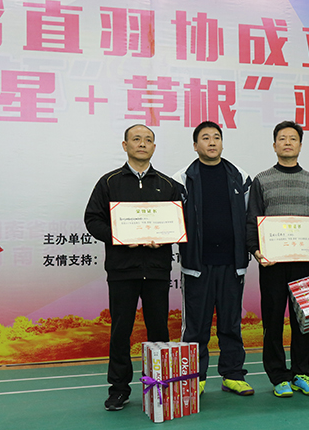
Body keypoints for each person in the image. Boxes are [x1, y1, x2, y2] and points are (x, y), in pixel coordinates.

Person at [84, 124, 182, 411]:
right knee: (121, 331)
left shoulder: (168, 185)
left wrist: (164, 239)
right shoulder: (109, 182)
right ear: (125, 145)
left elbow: (180, 223)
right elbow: (93, 220)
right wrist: (119, 237)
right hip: (122, 270)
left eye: (148, 140)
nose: (142, 144)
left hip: (157, 269)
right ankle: (119, 389)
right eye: (136, 139)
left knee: (159, 331)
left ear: (154, 147)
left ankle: (160, 386)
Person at [246, 121, 309, 398]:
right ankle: (278, 376)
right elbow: (252, 221)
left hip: (306, 263)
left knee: (303, 321)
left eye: (293, 138)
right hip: (272, 264)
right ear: (274, 145)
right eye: (282, 138)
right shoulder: (261, 180)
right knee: (272, 322)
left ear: (300, 145)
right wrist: (256, 251)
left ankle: (301, 373)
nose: (287, 142)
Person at [172, 121, 254, 397]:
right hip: (197, 265)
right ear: (195, 145)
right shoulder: (182, 178)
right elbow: (172, 220)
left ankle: (233, 375)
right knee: (196, 326)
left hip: (232, 264)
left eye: (216, 137)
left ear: (222, 143)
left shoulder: (239, 176)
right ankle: (194, 377)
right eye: (205, 138)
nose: (211, 142)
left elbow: (250, 218)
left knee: (231, 324)